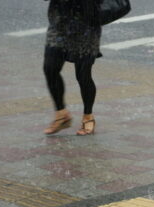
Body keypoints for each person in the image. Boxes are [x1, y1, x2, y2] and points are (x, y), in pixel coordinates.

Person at [43, 0, 102, 135]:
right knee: (50, 68)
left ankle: (88, 116)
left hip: (86, 23)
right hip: (60, 23)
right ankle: (61, 114)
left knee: (83, 74)